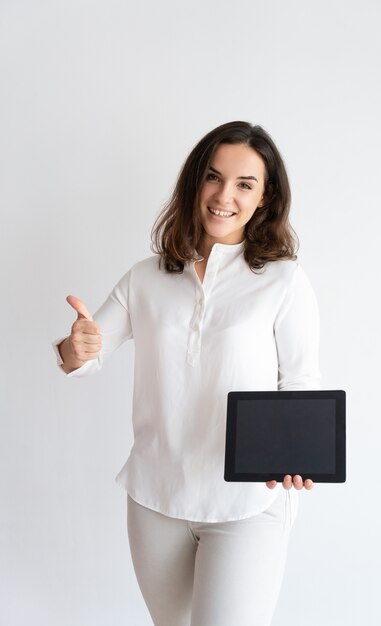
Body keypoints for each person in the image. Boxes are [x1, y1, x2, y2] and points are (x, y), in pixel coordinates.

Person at [52, 120, 321, 626]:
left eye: (245, 184)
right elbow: (84, 355)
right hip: (156, 500)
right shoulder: (146, 278)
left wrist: (299, 453)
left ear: (265, 198)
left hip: (249, 503)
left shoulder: (283, 280)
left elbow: (300, 382)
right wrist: (76, 346)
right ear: (195, 182)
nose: (224, 196)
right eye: (214, 178)